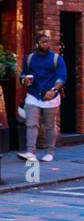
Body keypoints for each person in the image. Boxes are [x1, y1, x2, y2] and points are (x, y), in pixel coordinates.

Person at [19, 30, 66, 163]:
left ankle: (50, 152)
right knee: (31, 124)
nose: (47, 44)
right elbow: (23, 75)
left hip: (50, 97)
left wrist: (53, 90)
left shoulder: (57, 59)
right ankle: (31, 153)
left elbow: (62, 77)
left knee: (50, 125)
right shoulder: (29, 59)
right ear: (37, 44)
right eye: (43, 42)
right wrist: (24, 80)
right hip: (33, 95)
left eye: (48, 42)